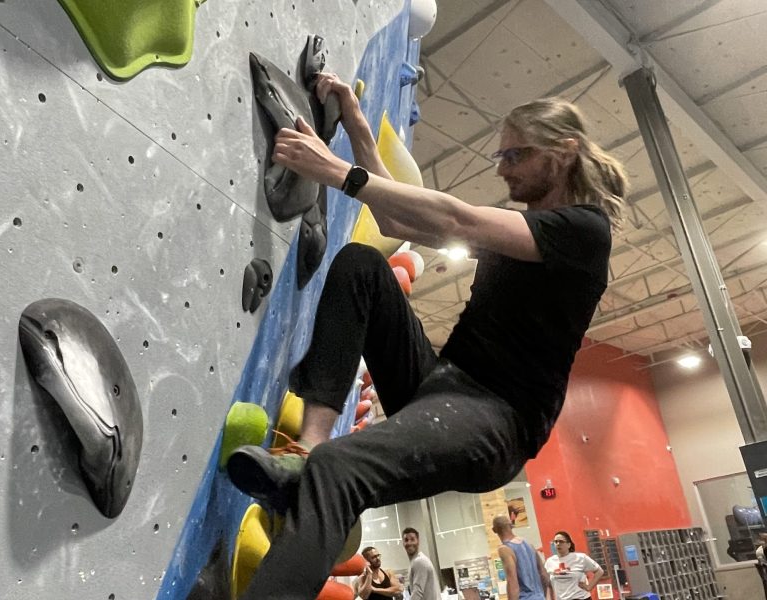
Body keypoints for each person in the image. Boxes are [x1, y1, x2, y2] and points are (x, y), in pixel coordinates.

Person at [227, 70, 628, 600]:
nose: (504, 169)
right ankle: (307, 448)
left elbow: (457, 219)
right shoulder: (521, 226)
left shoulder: (583, 231)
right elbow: (397, 217)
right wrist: (354, 120)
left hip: (495, 420)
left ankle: (319, 468)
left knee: (343, 470)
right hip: (441, 382)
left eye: (515, 155)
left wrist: (334, 171)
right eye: (500, 157)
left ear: (564, 152)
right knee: (361, 267)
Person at [492, 515, 550, 600]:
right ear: (511, 525)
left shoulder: (504, 549)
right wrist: (543, 595)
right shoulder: (529, 545)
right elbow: (543, 573)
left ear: (494, 530)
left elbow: (513, 582)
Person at [544, 531, 603, 600]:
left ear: (569, 544)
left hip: (580, 598)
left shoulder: (580, 558)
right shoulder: (550, 562)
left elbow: (599, 571)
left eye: (561, 541)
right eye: (556, 541)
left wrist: (589, 587)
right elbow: (546, 582)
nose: (558, 544)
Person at [400, 528, 440, 600]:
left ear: (418, 541)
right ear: (403, 543)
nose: (409, 543)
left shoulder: (419, 561)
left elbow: (417, 593)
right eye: (406, 540)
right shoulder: (416, 561)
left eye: (412, 539)